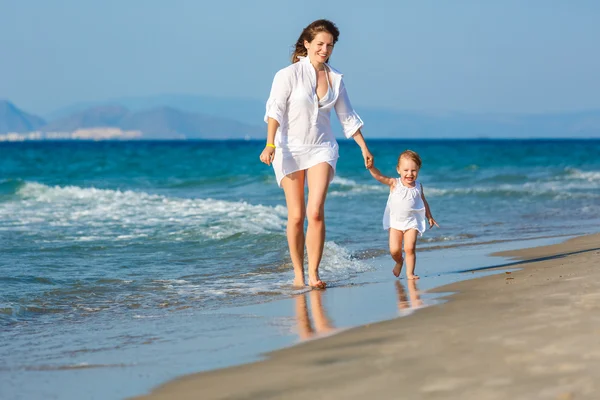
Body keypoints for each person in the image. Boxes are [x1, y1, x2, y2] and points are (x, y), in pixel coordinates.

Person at [259, 19, 373, 289]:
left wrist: (363, 147)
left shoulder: (336, 78)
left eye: (329, 45)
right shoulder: (286, 75)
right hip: (288, 148)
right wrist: (270, 144)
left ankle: (314, 273)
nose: (324, 49)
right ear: (307, 44)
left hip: (322, 148)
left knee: (316, 212)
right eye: (320, 44)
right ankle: (298, 274)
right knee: (297, 216)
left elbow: (347, 117)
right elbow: (274, 111)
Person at [367, 150, 439, 279]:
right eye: (406, 170)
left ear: (418, 170)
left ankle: (410, 273)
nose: (409, 174)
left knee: (410, 248)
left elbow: (423, 201)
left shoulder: (418, 186)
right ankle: (399, 261)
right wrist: (372, 168)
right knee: (394, 250)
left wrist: (429, 216)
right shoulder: (395, 183)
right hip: (395, 223)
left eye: (413, 170)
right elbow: (380, 177)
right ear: (398, 170)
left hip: (412, 222)